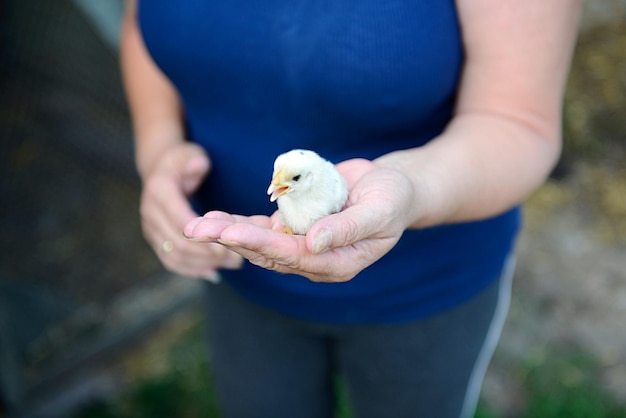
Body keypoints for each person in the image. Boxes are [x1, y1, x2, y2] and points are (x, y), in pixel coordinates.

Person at [121, 1, 580, 417]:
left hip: (421, 289)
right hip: (238, 268)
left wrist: (409, 189)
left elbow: (518, 121)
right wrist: (158, 151)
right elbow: (142, 23)